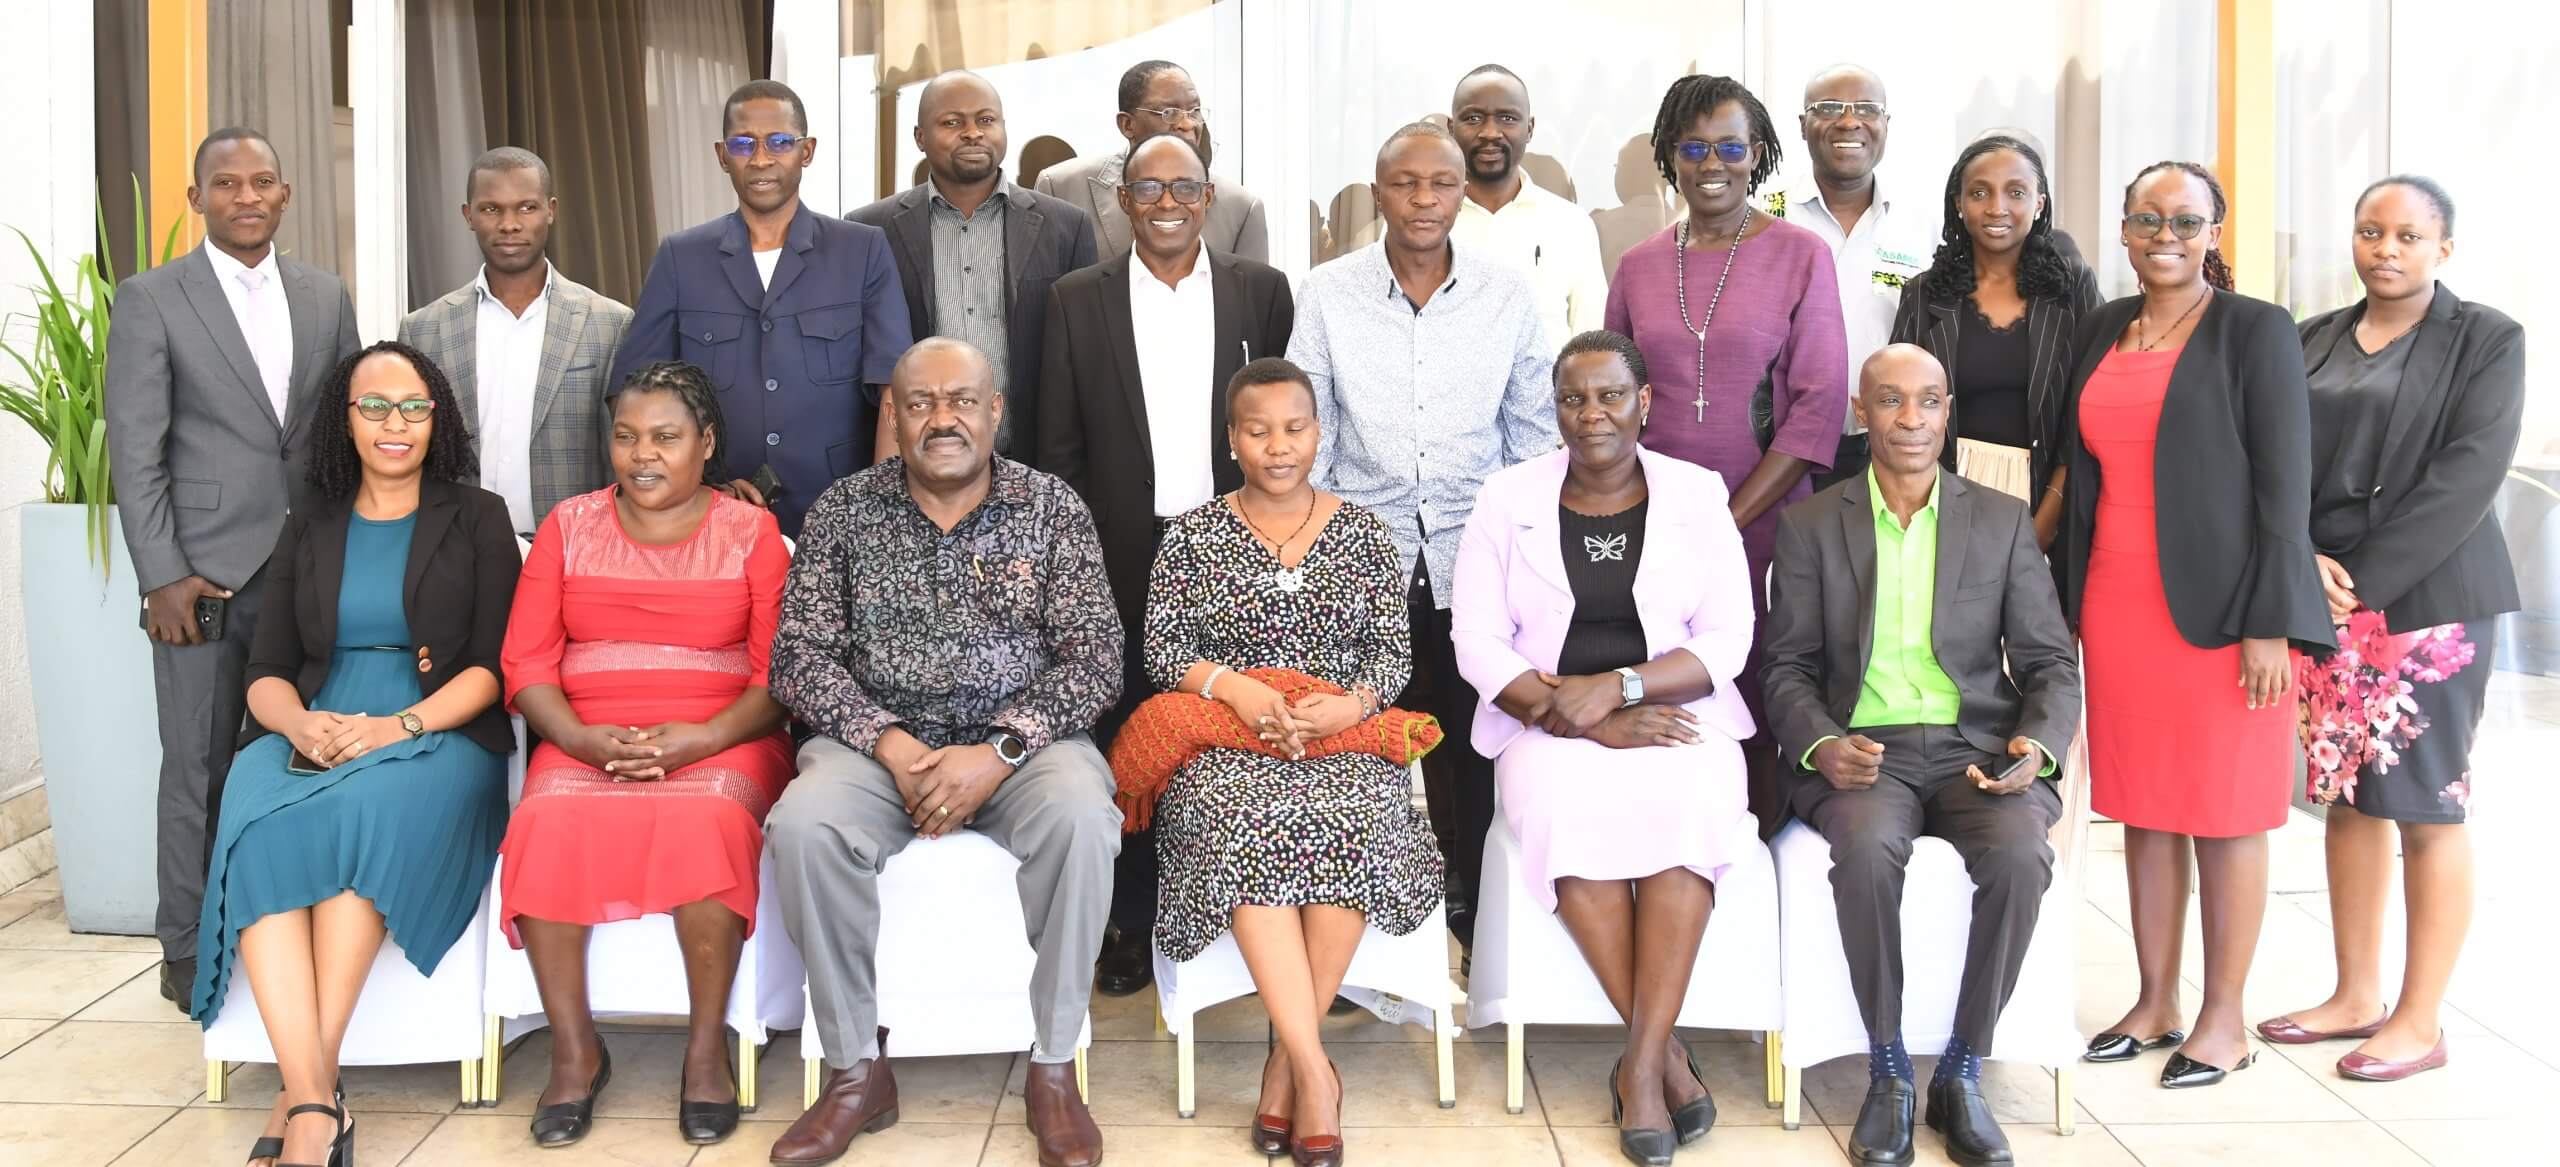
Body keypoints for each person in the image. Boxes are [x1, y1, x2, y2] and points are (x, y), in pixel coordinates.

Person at [763, 338, 1119, 1167]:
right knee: (805, 824)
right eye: (920, 403)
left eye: (963, 399)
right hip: (879, 749)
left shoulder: (1052, 507)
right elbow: (798, 656)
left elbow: (1098, 654)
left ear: (996, 410)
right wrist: (888, 742)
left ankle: (1054, 1066)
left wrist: (997, 749)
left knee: (1082, 818)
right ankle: (855, 1070)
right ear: (893, 414)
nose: (943, 418)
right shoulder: (845, 510)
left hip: (1023, 748)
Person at [188, 341, 517, 1167]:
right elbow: (266, 672)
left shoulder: (476, 515)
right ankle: (316, 1101)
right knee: (254, 821)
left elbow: (490, 667)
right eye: (374, 406)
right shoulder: (312, 521)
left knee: (364, 809)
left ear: (436, 417)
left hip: (434, 732)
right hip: (313, 724)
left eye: (412, 406)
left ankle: (301, 1097)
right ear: (346, 420)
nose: (393, 423)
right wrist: (300, 728)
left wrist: (394, 727)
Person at [1762, 344, 2081, 1167]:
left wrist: (2035, 749)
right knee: (1866, 850)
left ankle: (1965, 1069)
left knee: (2019, 856)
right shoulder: (1809, 524)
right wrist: (1823, 744)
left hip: (1979, 746)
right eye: (1891, 401)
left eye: (1929, 402)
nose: (1911, 419)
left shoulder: (2003, 522)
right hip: (1866, 750)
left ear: (1948, 413)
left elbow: (2049, 662)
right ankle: (1891, 1067)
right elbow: (1786, 667)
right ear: (1861, 413)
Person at [1452, 331, 1758, 1166]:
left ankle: (1642, 1062)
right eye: (1574, 399)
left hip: (1673, 712)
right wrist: (1574, 714)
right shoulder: (1504, 496)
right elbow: (1476, 641)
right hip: (1542, 723)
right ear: (1555, 410)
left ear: (1645, 402)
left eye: (1611, 396)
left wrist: (1622, 689)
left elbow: (1729, 638)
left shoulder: (1698, 495)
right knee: (1562, 806)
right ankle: (1658, 1063)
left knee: (1690, 807)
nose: (1593, 416)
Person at [2058, 161, 2333, 1089]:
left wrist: (2270, 621)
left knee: (2223, 811)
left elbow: (2283, 489)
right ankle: (2154, 1000)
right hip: (2115, 601)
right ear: (2125, 231)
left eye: (2184, 218)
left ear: (2215, 230)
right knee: (2143, 808)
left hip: (2225, 616)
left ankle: (2223, 1018)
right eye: (2146, 217)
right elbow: (2081, 471)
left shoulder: (2255, 330)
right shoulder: (2103, 326)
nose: (2163, 233)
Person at [1139, 357, 1442, 1166]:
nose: (1278, 445)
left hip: (1338, 738)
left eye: (1295, 427)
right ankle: (1316, 1067)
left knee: (1354, 810)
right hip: (1229, 744)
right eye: (1258, 429)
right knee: (1241, 819)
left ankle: (1286, 1060)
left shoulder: (1365, 533)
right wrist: (1233, 688)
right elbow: (1163, 648)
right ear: (1232, 438)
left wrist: (1355, 703)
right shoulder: (1194, 534)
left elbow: (1392, 652)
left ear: (1321, 432)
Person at [2257, 177, 2524, 1083]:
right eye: (2371, 230)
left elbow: (2469, 474)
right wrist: (2303, 562)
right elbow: (2276, 461)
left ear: (2443, 248)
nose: (2386, 248)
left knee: (2426, 806)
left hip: (2429, 607)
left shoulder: (2487, 339)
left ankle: (2419, 1018)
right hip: (2328, 606)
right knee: (2350, 799)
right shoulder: (2314, 338)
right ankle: (2354, 994)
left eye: (2408, 235)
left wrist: (2360, 581)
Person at [494, 361, 795, 1148]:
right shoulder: (567, 526)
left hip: (723, 734)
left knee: (707, 820)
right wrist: (580, 739)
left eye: (664, 435)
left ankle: (704, 1055)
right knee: (544, 821)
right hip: (585, 734)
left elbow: (778, 677)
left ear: (707, 443)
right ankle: (573, 1054)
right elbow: (526, 664)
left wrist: (701, 738)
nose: (641, 453)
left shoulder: (751, 532)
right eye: (625, 436)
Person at [105, 127, 362, 1013]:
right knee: (199, 765)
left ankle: (286, 936)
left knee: (306, 760)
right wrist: (160, 574)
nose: (245, 197)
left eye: (262, 182)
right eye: (226, 184)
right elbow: (136, 450)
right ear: (196, 199)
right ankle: (185, 947)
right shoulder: (152, 299)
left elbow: (341, 435)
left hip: (309, 573)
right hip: (203, 583)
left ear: (286, 195)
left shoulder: (326, 294)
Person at [1036, 130, 1297, 997]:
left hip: (1233, 543)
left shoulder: (1260, 291)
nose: (1168, 205)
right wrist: (1073, 556)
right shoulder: (1077, 299)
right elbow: (1057, 446)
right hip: (1120, 544)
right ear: (1122, 202)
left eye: (1184, 189)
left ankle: (1235, 908)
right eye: (1148, 190)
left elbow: (1280, 423)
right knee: (1130, 729)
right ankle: (1132, 916)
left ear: (1209, 197)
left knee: (1229, 717)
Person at [1288, 121, 1556, 948]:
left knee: (1471, 742)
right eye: (1406, 184)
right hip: (1361, 558)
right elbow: (1313, 427)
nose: (1425, 199)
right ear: (1380, 194)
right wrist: (1315, 553)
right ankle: (1353, 920)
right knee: (1356, 746)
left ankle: (1470, 902)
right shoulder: (1327, 293)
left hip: (1471, 555)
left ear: (1461, 193)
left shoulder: (1507, 295)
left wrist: (1523, 555)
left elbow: (1533, 432)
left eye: (1441, 183)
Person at [1606, 74, 1849, 835]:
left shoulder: (1801, 253)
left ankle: (1760, 857)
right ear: (1669, 158)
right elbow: (1611, 403)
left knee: (1766, 688)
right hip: (1656, 526)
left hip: (1771, 523)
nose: (1713, 163)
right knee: (1665, 681)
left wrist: (1726, 518)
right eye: (1694, 147)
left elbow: (1819, 404)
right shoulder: (1640, 265)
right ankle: (1673, 844)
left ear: (1760, 155)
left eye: (1732, 146)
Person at [612, 79, 912, 537]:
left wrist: (878, 507)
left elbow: (894, 390)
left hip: (838, 512)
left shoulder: (861, 250)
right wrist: (699, 485)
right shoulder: (681, 256)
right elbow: (634, 393)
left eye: (779, 142)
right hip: (711, 518)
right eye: (743, 144)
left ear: (807, 151)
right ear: (721, 154)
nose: (761, 159)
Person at [849, 70, 1097, 465]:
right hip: (918, 466)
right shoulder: (869, 230)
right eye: (952, 122)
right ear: (920, 138)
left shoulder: (1066, 226)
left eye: (985, 120)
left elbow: (1086, 359)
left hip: (1032, 463)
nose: (972, 133)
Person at [401, 147, 635, 538]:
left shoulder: (609, 323)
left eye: (526, 208)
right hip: (456, 546)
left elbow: (619, 452)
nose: (509, 224)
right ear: (468, 216)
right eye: (491, 209)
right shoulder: (424, 329)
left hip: (574, 547)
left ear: (551, 210)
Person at [1889, 135, 2102, 545]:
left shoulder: (2072, 287)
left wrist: (2047, 517)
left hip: (2048, 492)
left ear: (2039, 202)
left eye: (2016, 192)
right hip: (1942, 494)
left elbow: (2091, 407)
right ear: (1958, 202)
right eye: (1979, 192)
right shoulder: (1924, 293)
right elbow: (1899, 405)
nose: (1997, 207)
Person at [1763, 66, 1935, 491]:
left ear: (1886, 125)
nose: (1848, 120)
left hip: (1884, 453)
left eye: (1865, 109)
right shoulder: (1764, 215)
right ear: (1803, 126)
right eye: (1828, 108)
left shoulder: (1919, 226)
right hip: (1777, 451)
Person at [1034, 59, 1270, 263]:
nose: (1188, 124)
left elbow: (1251, 306)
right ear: (1127, 125)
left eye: (1194, 111)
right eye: (1169, 113)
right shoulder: (1061, 188)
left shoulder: (1241, 209)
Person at [1448, 64, 1608, 347]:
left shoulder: (1570, 224)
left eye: (1507, 118)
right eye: (1473, 118)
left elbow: (1591, 341)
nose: (1490, 132)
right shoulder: (1422, 221)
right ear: (1451, 129)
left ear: (1530, 129)